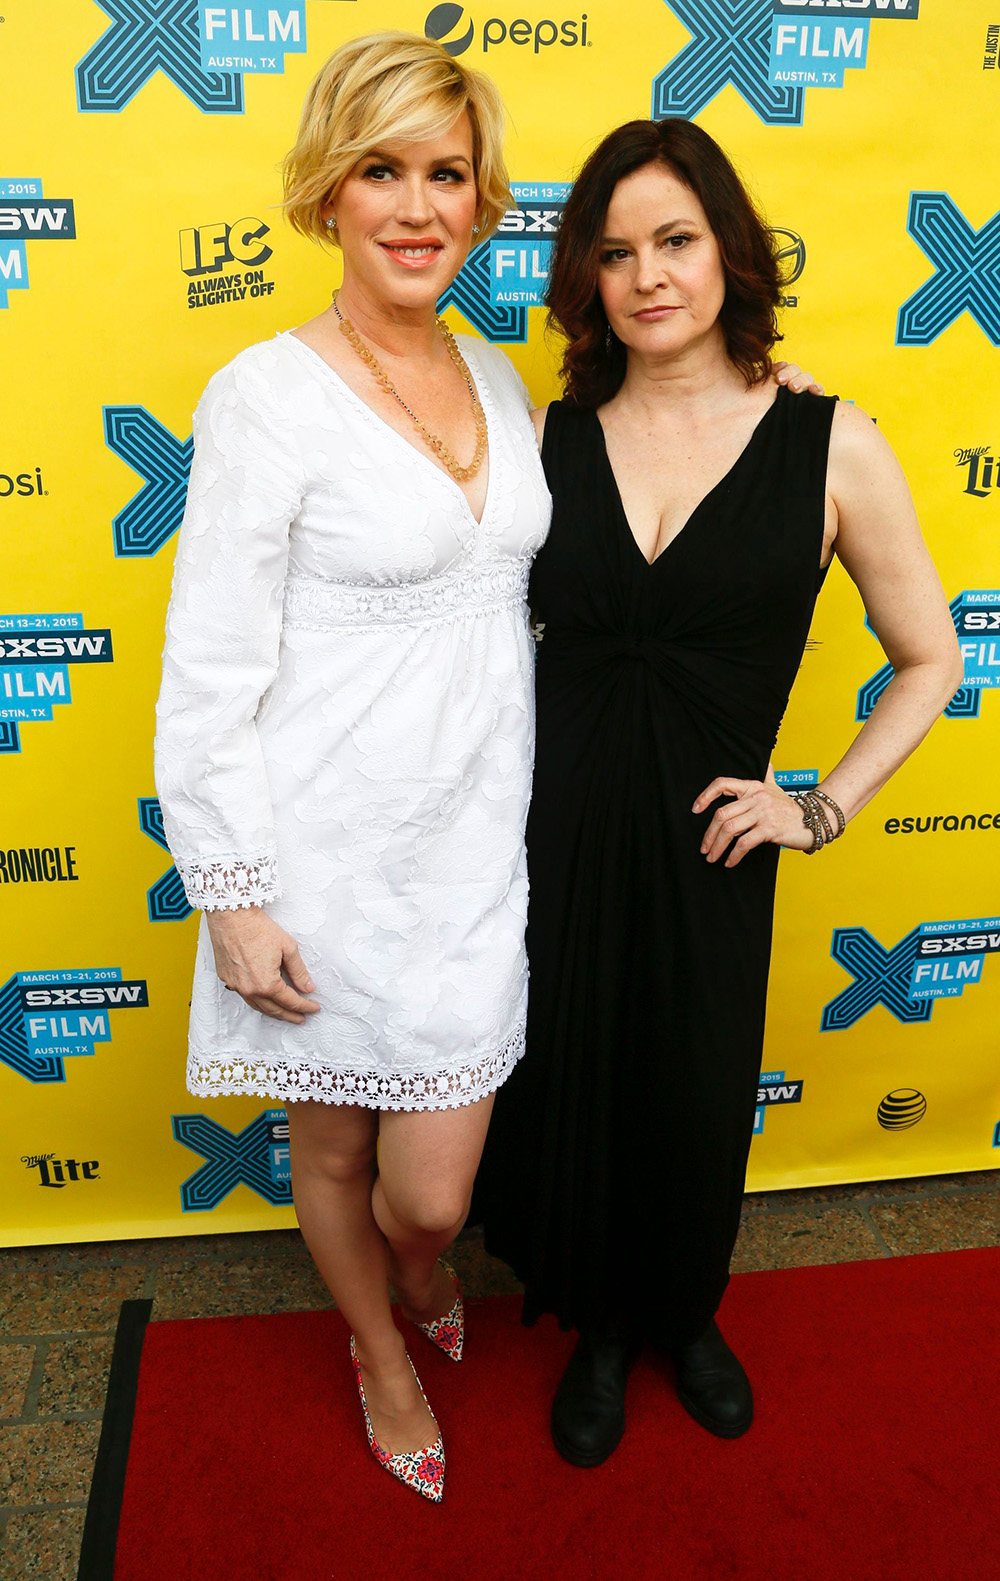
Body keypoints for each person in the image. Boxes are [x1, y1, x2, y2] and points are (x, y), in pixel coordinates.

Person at [477, 117, 963, 1468]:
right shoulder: (541, 435)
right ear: (585, 275)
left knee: (691, 1089)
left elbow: (931, 657)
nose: (650, 276)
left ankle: (686, 1313)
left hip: (714, 848)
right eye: (616, 250)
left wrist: (819, 805)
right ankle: (598, 1324)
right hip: (551, 838)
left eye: (677, 241)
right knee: (569, 1075)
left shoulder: (831, 442)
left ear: (730, 251)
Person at [153, 32, 553, 1503]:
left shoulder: (503, 378)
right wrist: (237, 893)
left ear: (481, 197)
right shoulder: (264, 395)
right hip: (320, 855)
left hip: (469, 859)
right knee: (331, 1150)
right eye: (381, 168)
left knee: (432, 1196)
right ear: (329, 189)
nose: (416, 203)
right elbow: (208, 669)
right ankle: (380, 1352)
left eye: (446, 172)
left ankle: (410, 1272)